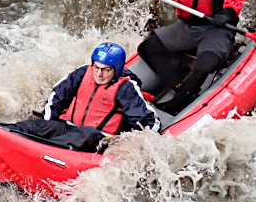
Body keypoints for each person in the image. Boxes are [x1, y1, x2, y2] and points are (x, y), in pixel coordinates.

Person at [10, 42, 158, 151]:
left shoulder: (126, 88)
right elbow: (56, 98)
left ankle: (46, 150)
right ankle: (7, 132)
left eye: (106, 70)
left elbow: (150, 123)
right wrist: (49, 125)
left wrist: (126, 142)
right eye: (96, 67)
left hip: (99, 139)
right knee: (36, 125)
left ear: (117, 70)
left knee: (89, 133)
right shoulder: (82, 73)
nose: (99, 74)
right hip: (70, 128)